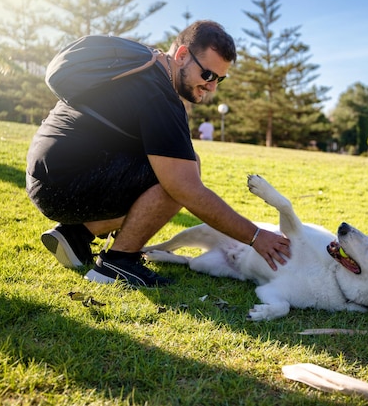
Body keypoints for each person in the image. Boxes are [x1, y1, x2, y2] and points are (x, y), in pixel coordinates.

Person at [26, 20, 291, 287]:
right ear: (182, 55)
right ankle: (117, 262)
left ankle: (75, 236)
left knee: (178, 169)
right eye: (208, 75)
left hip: (45, 177)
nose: (212, 88)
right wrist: (257, 237)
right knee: (182, 177)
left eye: (220, 79)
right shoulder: (159, 96)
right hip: (66, 186)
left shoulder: (142, 64)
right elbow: (186, 190)